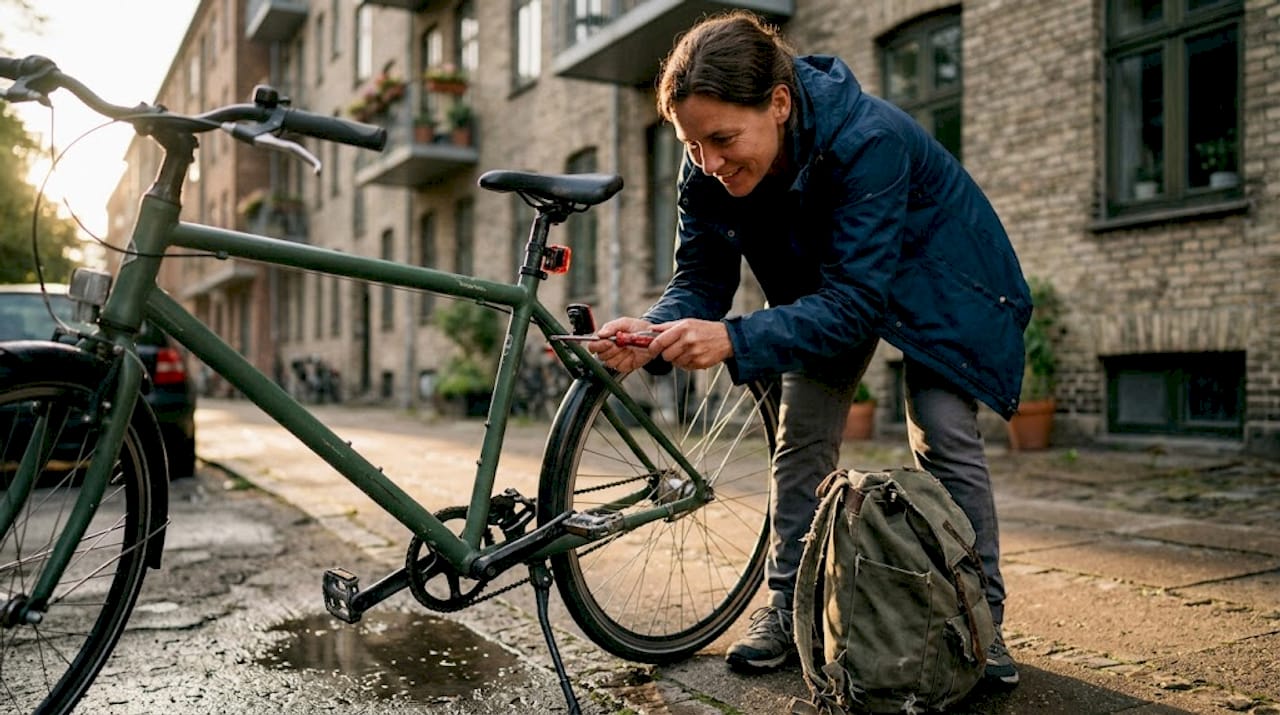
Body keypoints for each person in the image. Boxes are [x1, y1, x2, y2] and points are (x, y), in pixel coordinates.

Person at [587, 10, 1030, 688]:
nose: (708, 162)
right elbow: (700, 280)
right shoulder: (706, 163)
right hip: (833, 281)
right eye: (692, 143)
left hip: (944, 276)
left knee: (941, 428)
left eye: (722, 139)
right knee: (802, 434)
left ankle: (979, 619)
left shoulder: (868, 139)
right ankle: (787, 606)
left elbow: (859, 300)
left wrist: (735, 336)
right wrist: (651, 336)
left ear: (780, 103)